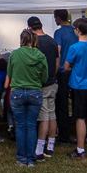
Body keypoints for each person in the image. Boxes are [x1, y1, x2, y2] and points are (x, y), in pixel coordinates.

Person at [6, 29, 47, 167]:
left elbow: (10, 73)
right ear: (33, 40)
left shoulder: (14, 55)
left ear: (21, 39)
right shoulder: (40, 55)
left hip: (17, 92)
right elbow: (45, 77)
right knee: (31, 125)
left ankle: (21, 158)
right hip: (35, 91)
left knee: (20, 126)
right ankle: (31, 158)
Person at [65, 18, 87, 159]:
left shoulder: (74, 47)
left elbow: (67, 66)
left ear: (78, 30)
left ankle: (80, 149)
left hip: (78, 86)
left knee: (80, 118)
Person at [28, 16, 59, 161]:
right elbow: (57, 62)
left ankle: (40, 148)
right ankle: (51, 146)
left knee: (44, 117)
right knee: (52, 114)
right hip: (53, 82)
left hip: (41, 84)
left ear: (30, 28)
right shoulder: (52, 41)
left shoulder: (35, 43)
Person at [53, 9, 78, 143]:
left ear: (58, 18)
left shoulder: (59, 32)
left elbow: (58, 51)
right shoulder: (75, 30)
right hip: (76, 70)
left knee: (62, 103)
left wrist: (55, 69)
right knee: (76, 102)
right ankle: (78, 130)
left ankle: (64, 134)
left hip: (63, 71)